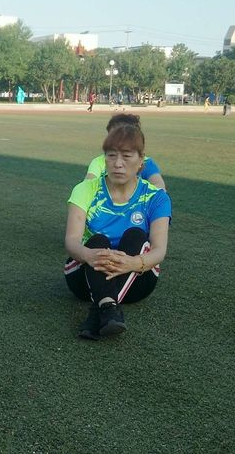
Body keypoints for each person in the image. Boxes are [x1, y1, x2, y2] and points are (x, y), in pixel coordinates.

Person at [64, 123, 172, 339]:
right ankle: (108, 308)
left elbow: (159, 251)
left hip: (137, 280)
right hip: (86, 278)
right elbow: (72, 241)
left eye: (126, 156)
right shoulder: (85, 189)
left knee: (135, 235)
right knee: (98, 240)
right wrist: (88, 255)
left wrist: (132, 263)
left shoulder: (156, 197)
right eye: (111, 156)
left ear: (141, 161)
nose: (118, 164)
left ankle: (101, 308)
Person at [85, 113, 166, 190]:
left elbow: (159, 186)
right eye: (113, 135)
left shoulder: (146, 162)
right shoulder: (99, 162)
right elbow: (88, 184)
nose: (118, 164)